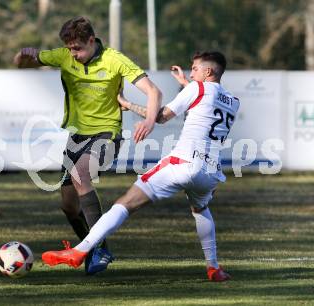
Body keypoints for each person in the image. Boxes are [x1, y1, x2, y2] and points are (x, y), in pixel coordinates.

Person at [41, 51, 240, 282]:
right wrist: (187, 84)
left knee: (124, 204)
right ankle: (214, 268)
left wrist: (128, 104)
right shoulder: (233, 101)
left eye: (194, 69)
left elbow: (161, 116)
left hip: (183, 163)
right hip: (210, 173)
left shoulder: (196, 89)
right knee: (200, 210)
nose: (191, 72)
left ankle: (80, 250)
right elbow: (207, 103)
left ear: (208, 71)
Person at [13, 16, 161, 275]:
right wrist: (23, 57)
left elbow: (153, 91)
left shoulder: (114, 59)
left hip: (107, 134)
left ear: (92, 40)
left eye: (78, 48)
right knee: (69, 206)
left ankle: (99, 248)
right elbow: (24, 62)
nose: (74, 54)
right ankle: (91, 250)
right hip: (76, 137)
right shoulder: (63, 56)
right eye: (70, 49)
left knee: (81, 174)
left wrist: (149, 120)